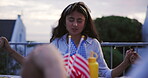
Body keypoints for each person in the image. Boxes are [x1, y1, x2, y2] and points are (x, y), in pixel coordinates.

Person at [0, 2, 139, 78]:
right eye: (71, 19)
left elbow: (107, 74)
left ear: (85, 23)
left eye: (79, 20)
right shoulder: (57, 43)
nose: (75, 24)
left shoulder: (93, 43)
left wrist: (126, 62)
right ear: (64, 22)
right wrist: (9, 50)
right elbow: (33, 64)